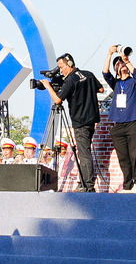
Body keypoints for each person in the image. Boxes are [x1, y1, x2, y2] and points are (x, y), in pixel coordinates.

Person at [37, 55, 101, 191]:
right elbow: (100, 89)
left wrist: (48, 86)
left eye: (62, 67)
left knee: (84, 153)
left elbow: (58, 100)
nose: (61, 71)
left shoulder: (71, 80)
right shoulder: (88, 74)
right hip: (92, 120)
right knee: (85, 151)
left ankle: (87, 185)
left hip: (80, 122)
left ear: (69, 64)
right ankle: (86, 183)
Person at [101, 46, 136, 191]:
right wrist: (109, 53)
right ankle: (128, 183)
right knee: (123, 157)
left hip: (133, 123)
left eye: (122, 64)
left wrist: (127, 60)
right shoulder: (116, 84)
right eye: (118, 64)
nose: (121, 66)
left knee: (135, 154)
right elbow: (105, 72)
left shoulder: (133, 82)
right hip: (118, 125)